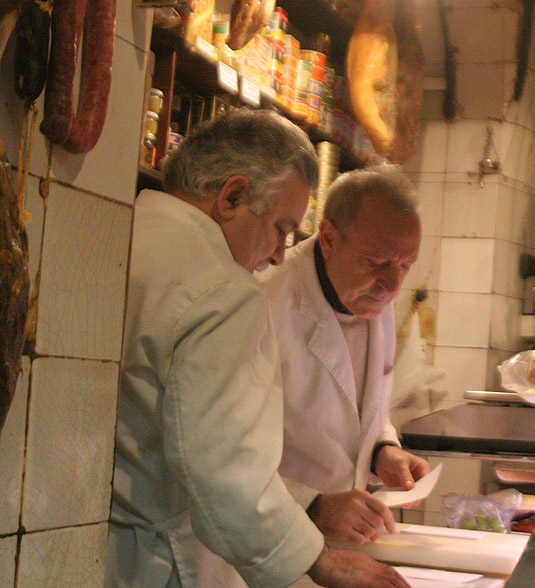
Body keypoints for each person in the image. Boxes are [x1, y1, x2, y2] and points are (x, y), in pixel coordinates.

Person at [105, 109, 411, 588]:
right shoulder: (223, 291)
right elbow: (226, 472)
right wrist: (324, 562)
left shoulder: (117, 232)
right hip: (162, 563)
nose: (278, 254)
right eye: (281, 229)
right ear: (232, 197)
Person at [258, 165, 431, 549]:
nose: (393, 285)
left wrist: (383, 450)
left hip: (341, 546)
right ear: (329, 239)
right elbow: (222, 453)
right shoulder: (264, 302)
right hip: (266, 546)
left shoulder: (371, 294)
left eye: (406, 265)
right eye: (376, 262)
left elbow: (357, 404)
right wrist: (311, 505)